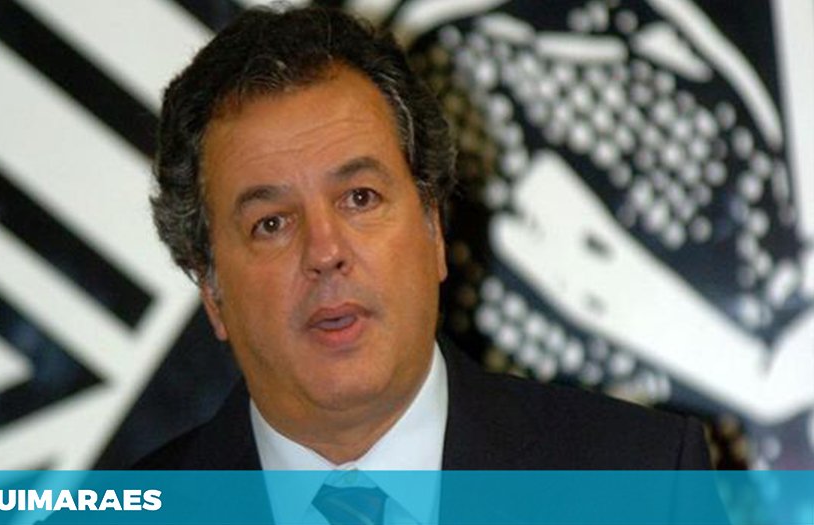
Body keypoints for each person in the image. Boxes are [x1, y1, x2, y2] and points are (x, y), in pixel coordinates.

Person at [138, 5, 710, 473]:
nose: (326, 252)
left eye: (360, 198)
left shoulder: (642, 477)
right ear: (211, 289)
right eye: (272, 224)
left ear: (433, 228)